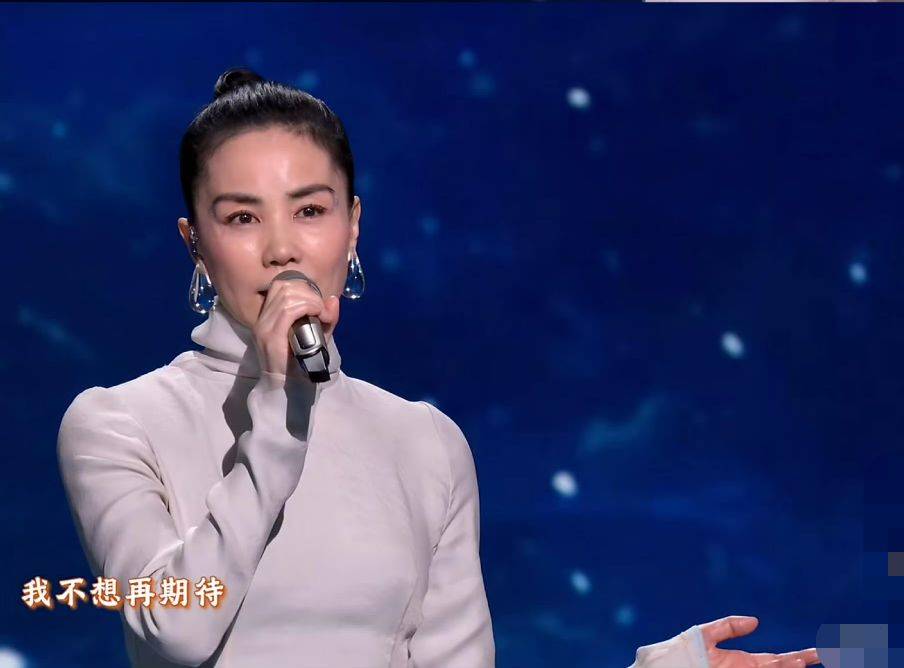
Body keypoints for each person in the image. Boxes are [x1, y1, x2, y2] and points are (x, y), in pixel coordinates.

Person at [56, 68, 821, 668]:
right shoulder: (117, 423)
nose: (282, 248)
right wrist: (282, 410)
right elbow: (175, 628)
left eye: (311, 210)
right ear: (195, 241)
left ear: (354, 226)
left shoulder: (423, 442)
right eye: (243, 217)